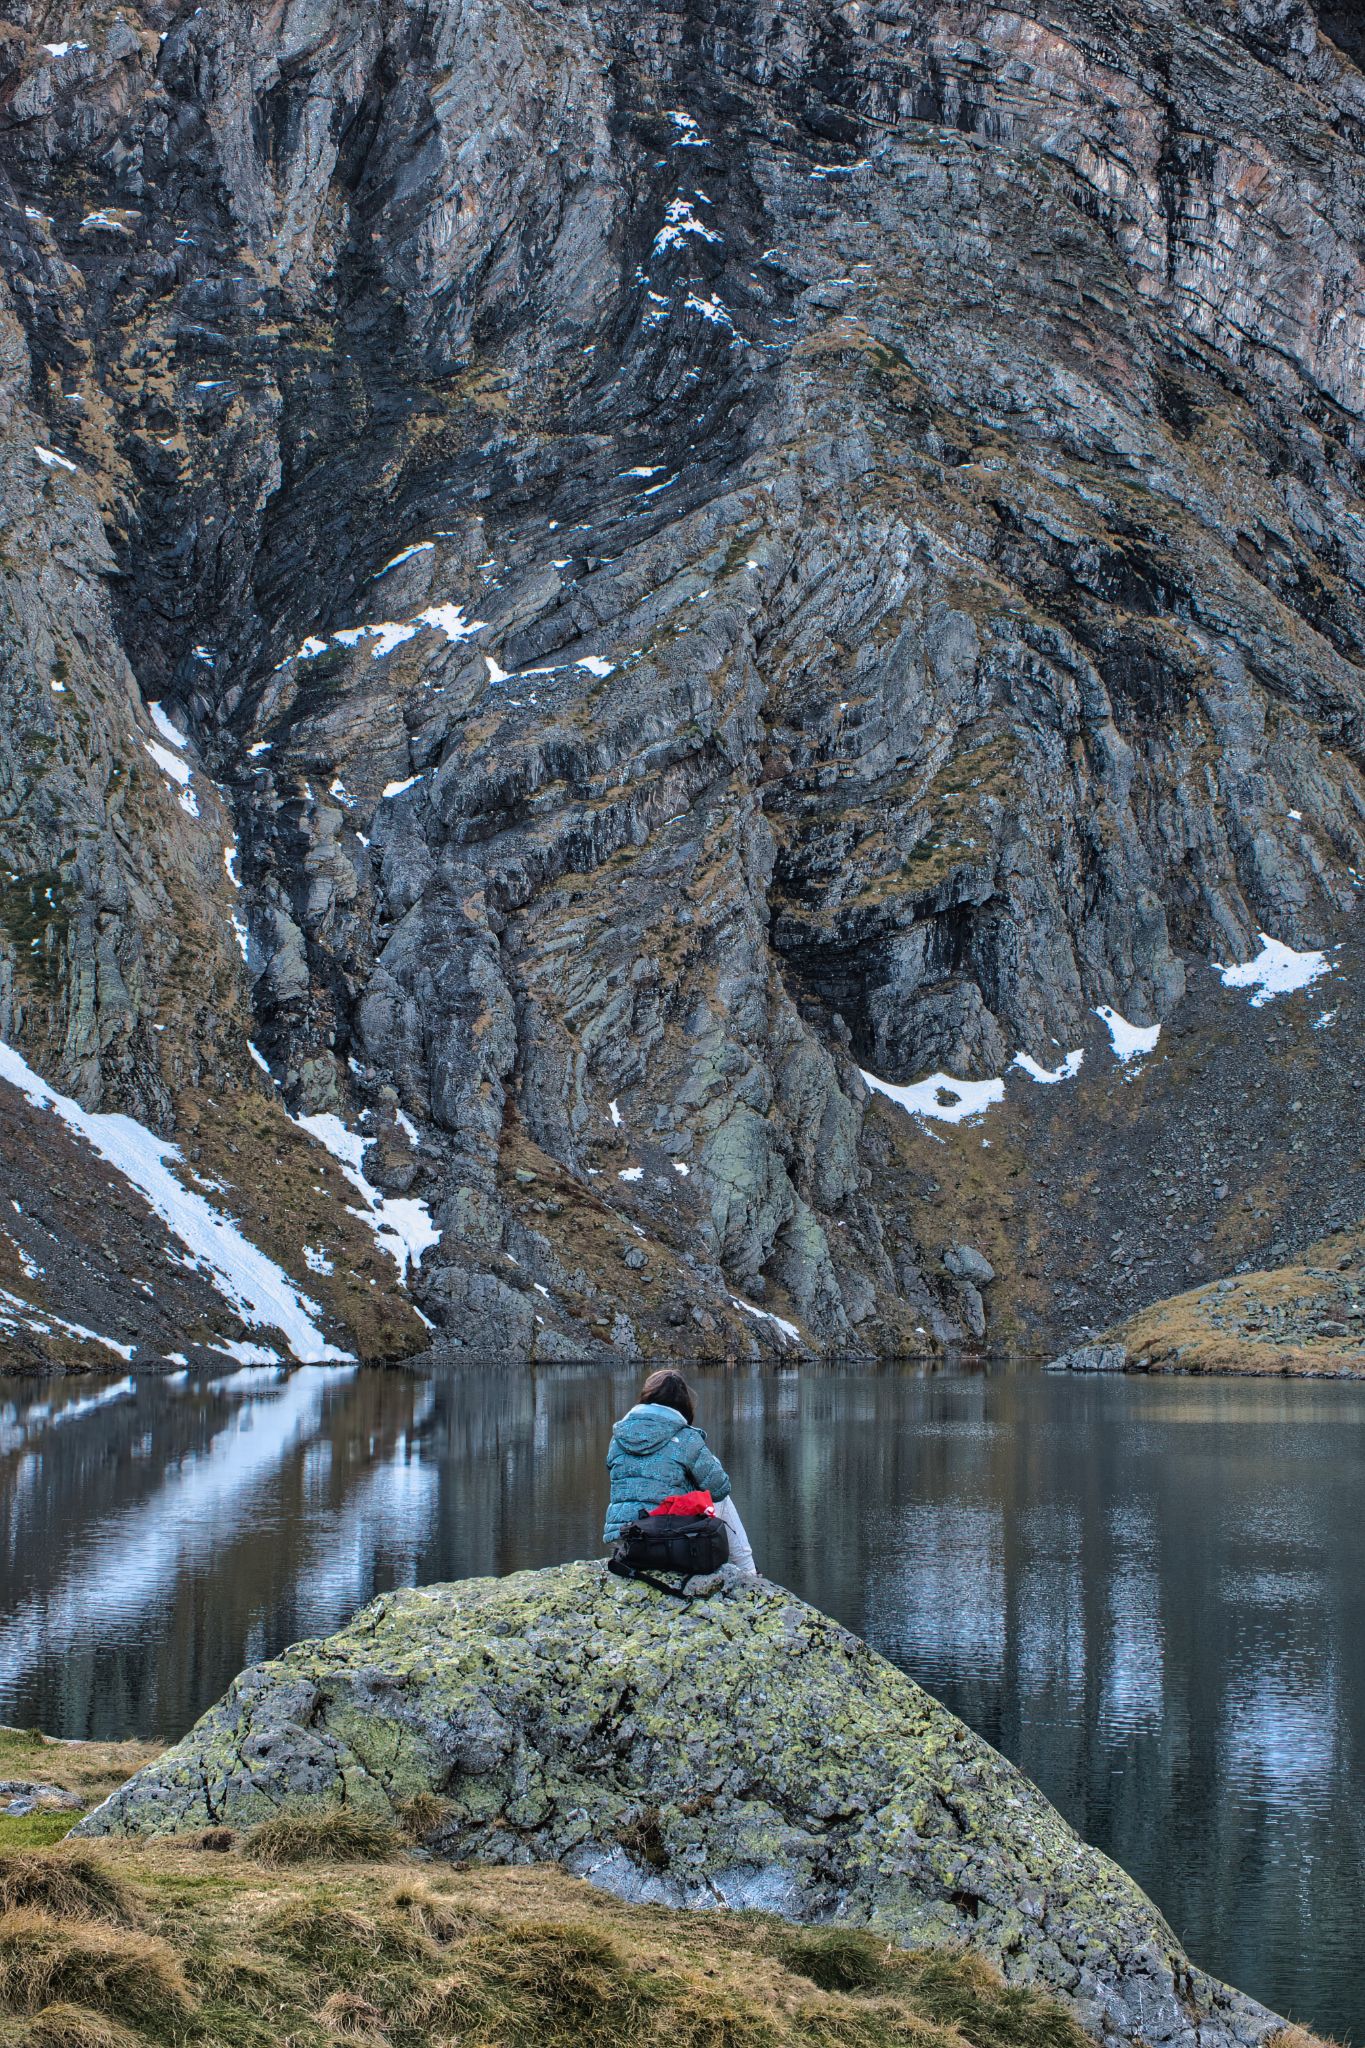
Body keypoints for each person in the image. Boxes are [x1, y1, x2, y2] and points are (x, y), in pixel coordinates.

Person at [603, 1369, 757, 1575]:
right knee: (720, 1500)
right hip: (666, 1540)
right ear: (684, 1403)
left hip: (625, 1542)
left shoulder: (617, 1437)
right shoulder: (686, 1438)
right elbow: (720, 1488)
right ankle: (749, 1574)